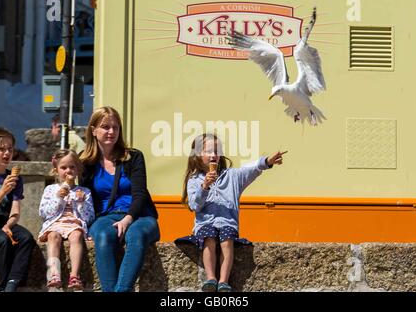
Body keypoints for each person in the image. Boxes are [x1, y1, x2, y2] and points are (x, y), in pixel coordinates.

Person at [176, 133, 287, 292]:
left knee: (227, 241)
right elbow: (194, 205)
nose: (214, 155)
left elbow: (251, 169)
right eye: (208, 151)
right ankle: (211, 278)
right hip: (205, 223)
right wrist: (205, 186)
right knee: (209, 239)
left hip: (228, 222)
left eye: (217, 150)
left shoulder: (232, 176)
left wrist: (267, 162)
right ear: (197, 156)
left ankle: (223, 281)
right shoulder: (194, 180)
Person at [79, 106, 159, 292]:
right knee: (103, 235)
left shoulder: (133, 157)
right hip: (105, 218)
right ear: (93, 131)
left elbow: (139, 194)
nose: (111, 132)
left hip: (140, 216)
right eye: (105, 127)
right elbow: (87, 201)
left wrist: (128, 218)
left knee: (135, 235)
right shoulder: (85, 163)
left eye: (115, 127)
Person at [0, 127, 36, 292]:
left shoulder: (15, 177)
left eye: (10, 149)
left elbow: (15, 211)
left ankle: (13, 283)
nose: (7, 153)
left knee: (26, 238)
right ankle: (2, 286)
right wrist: (3, 191)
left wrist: (9, 224)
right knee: (1, 239)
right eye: (1, 149)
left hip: (3, 221)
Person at [38, 149, 95, 290]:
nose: (68, 170)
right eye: (63, 167)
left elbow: (89, 217)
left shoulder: (85, 191)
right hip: (55, 223)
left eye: (72, 167)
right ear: (56, 170)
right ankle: (54, 273)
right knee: (53, 236)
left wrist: (81, 203)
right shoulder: (50, 189)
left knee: (77, 235)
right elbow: (44, 213)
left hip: (74, 224)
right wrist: (59, 197)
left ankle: (74, 276)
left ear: (78, 170)